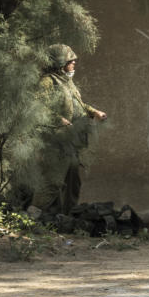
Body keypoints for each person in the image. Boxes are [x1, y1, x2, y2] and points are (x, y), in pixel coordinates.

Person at [33, 44, 107, 215]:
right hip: (56, 140)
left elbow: (78, 105)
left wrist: (94, 112)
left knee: (73, 178)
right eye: (70, 61)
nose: (74, 63)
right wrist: (58, 119)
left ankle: (67, 216)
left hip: (71, 141)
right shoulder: (47, 82)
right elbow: (37, 107)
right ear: (60, 63)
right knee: (53, 180)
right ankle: (32, 216)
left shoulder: (67, 82)